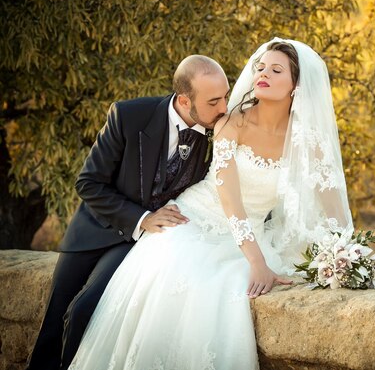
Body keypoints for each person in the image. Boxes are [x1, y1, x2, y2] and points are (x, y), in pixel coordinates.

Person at [67, 38, 354, 370]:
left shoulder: (308, 140)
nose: (263, 73)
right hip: (193, 221)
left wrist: (349, 254)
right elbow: (230, 199)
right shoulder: (232, 123)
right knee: (207, 280)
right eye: (261, 67)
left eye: (276, 70)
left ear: (296, 86)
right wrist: (258, 262)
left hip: (251, 231)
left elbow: (333, 205)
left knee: (236, 285)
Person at [27, 56, 230, 370]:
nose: (223, 108)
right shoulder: (129, 115)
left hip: (138, 245)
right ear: (184, 100)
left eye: (226, 96)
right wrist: (142, 219)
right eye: (214, 101)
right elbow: (88, 182)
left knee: (84, 310)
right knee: (52, 322)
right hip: (93, 229)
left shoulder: (221, 132)